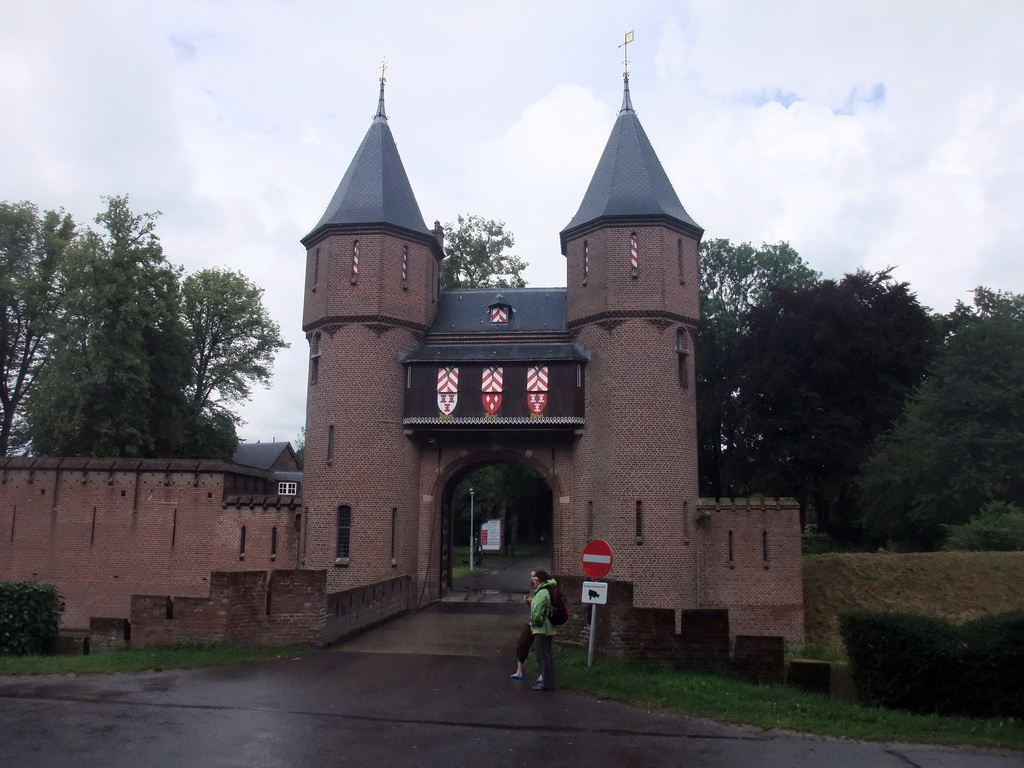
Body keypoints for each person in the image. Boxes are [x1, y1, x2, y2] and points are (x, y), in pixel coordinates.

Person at [529, 569, 557, 691]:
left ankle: (546, 683)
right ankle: (549, 682)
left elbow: (536, 612)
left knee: (542, 657)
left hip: (542, 629)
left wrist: (534, 622)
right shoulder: (549, 590)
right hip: (548, 628)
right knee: (547, 655)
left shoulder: (542, 592)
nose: (533, 581)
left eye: (535, 580)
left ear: (540, 581)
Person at [510, 570, 540, 681]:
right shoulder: (533, 589)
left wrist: (532, 601)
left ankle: (543, 675)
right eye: (531, 576)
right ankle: (519, 671)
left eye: (535, 577)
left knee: (540, 649)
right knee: (521, 645)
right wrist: (528, 601)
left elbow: (541, 605)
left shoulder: (544, 590)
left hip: (540, 624)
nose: (532, 579)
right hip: (531, 621)